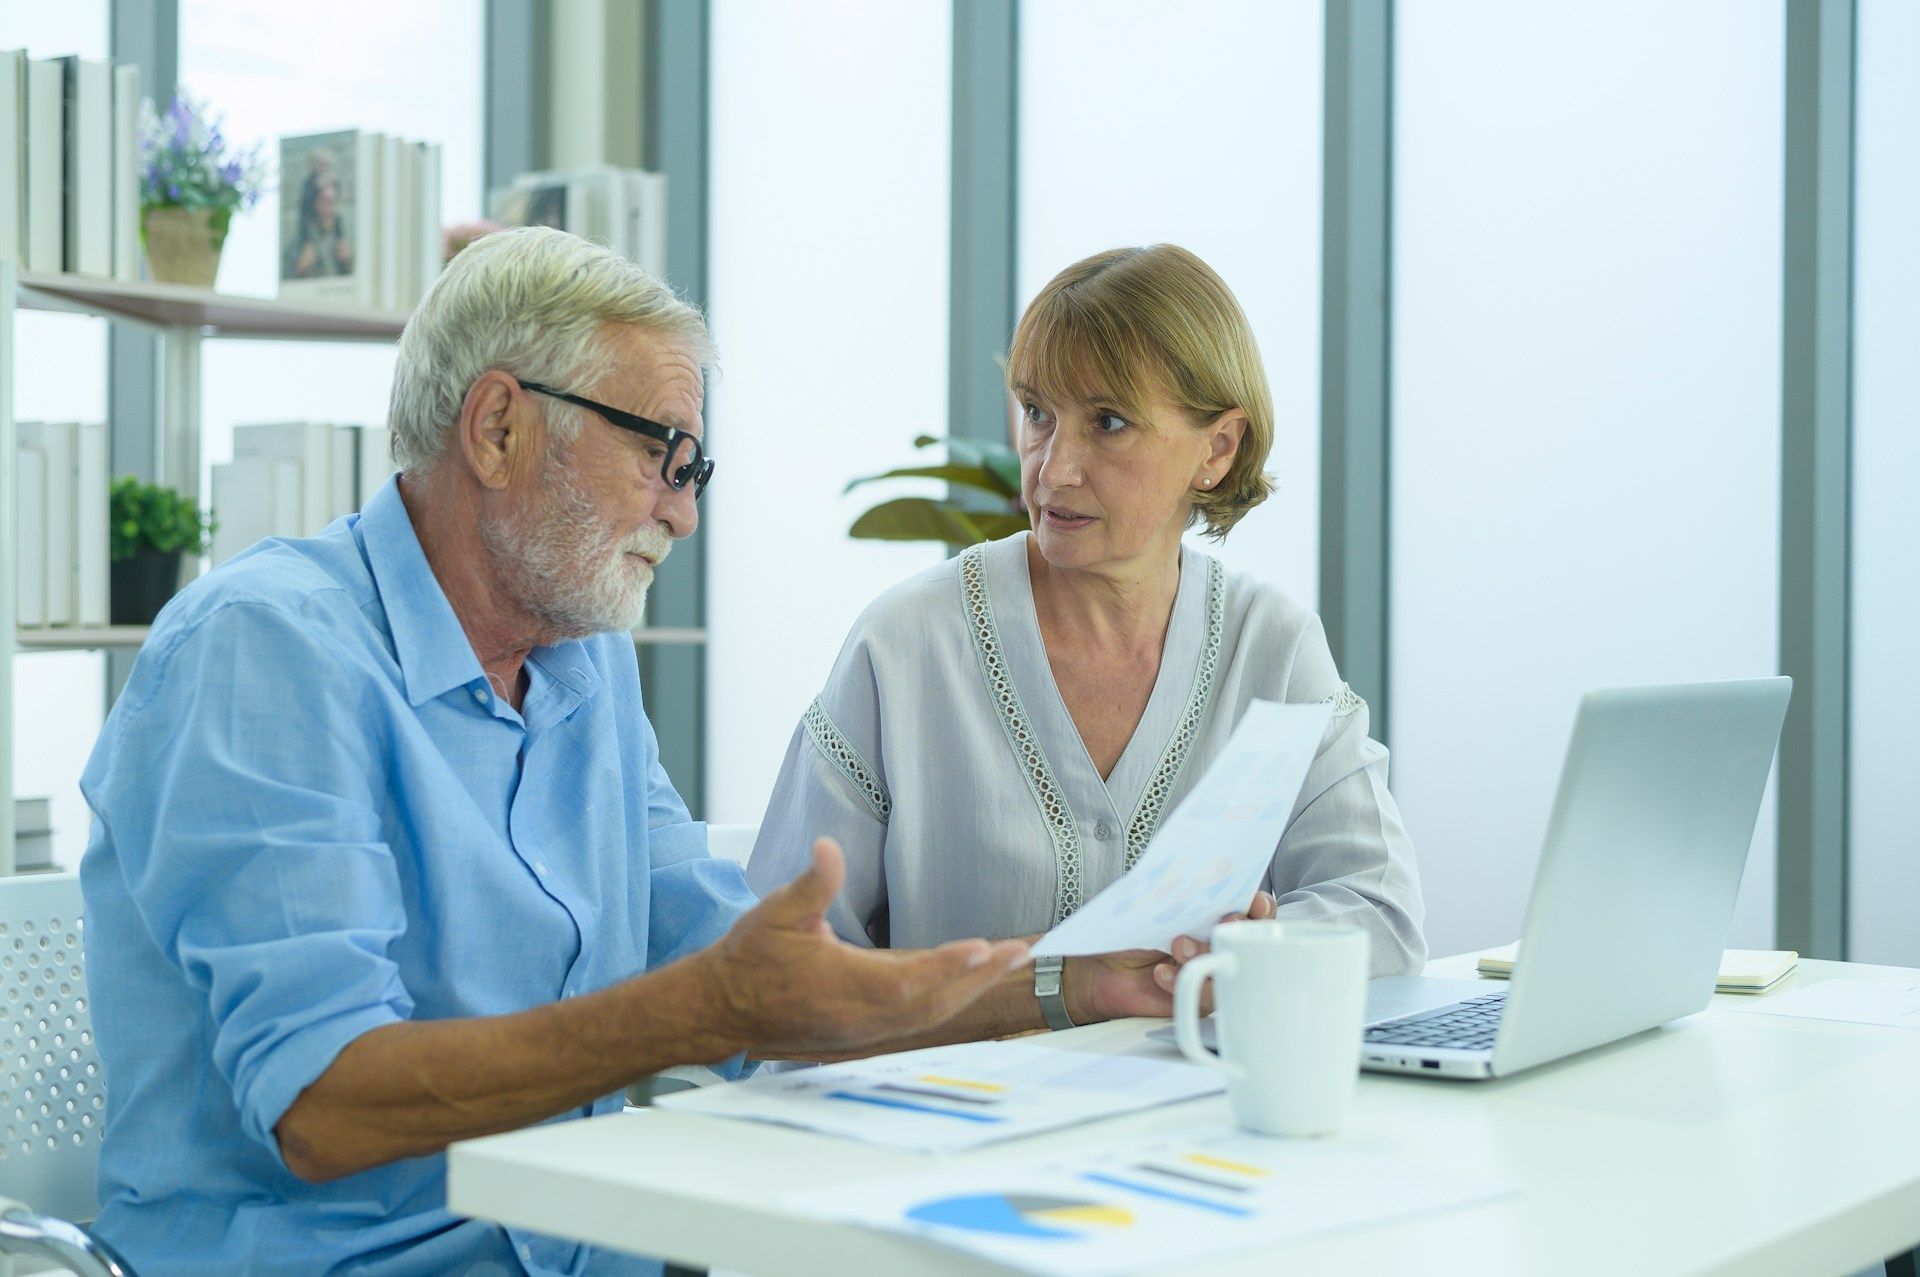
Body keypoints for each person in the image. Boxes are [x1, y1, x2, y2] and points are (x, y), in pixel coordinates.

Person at [75, 226, 1161, 1277]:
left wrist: (1082, 979)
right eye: (661, 454)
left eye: (697, 470)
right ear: (499, 426)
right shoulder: (264, 649)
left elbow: (748, 971)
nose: (682, 516)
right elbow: (324, 1100)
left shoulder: (584, 665)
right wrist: (707, 1006)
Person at [747, 244, 1426, 1011]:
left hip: (1191, 1121)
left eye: (1108, 422)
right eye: (1038, 413)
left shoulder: (1273, 648)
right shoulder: (905, 644)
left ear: (1218, 447)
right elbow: (778, 968)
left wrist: (1236, 953)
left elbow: (1382, 918)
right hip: (948, 1124)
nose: (1054, 467)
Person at [284, 154, 353, 279]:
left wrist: (349, 262)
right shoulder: (298, 244)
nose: (330, 209)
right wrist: (300, 269)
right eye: (325, 201)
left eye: (333, 201)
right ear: (313, 203)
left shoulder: (347, 237)